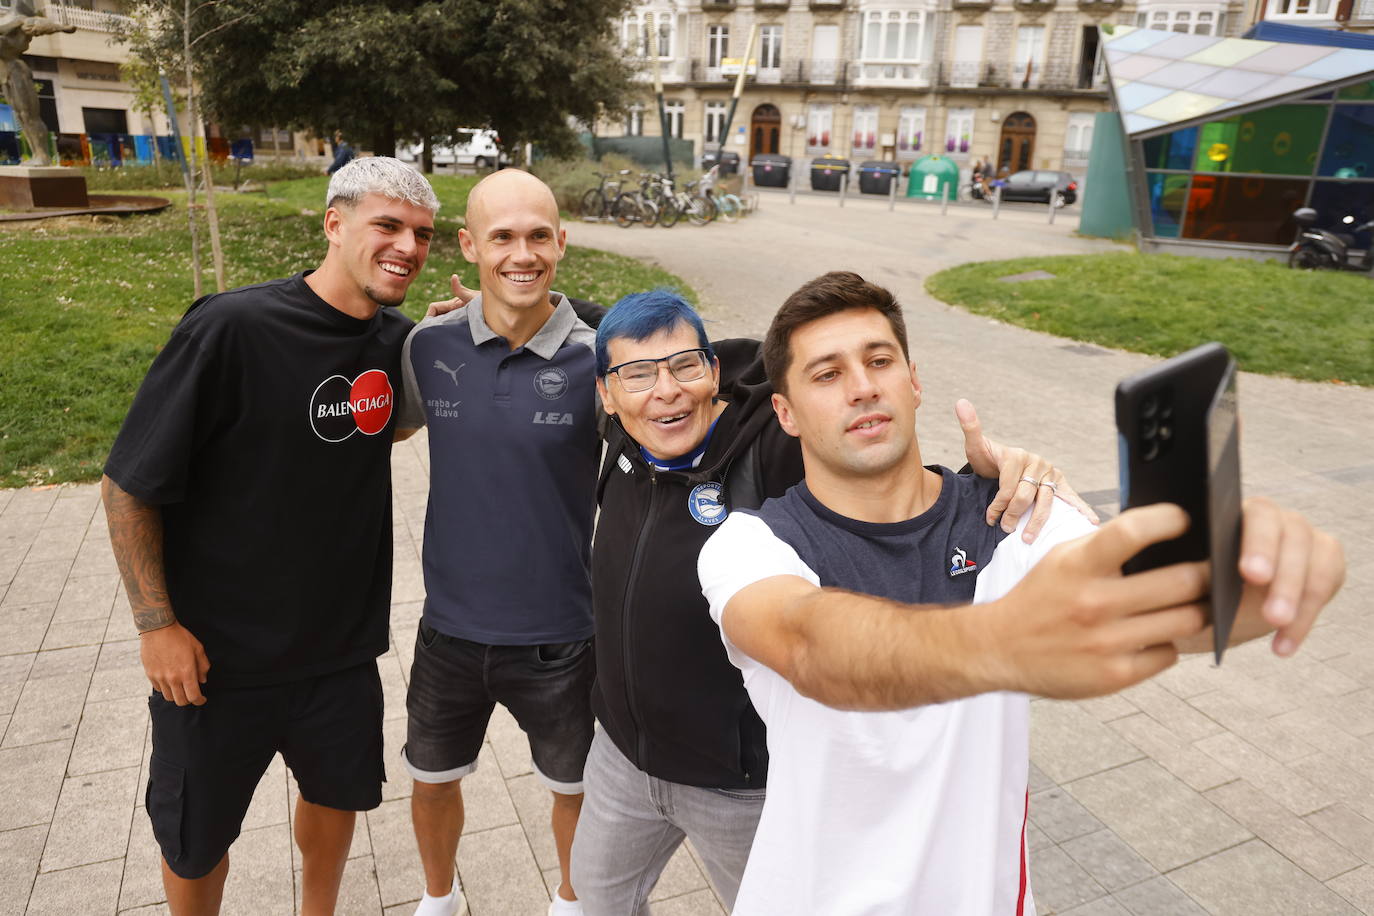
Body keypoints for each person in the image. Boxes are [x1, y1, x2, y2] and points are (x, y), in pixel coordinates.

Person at [697, 271, 1346, 915]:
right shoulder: (749, 544)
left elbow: (1144, 600)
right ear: (785, 412)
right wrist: (1002, 640)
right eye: (827, 374)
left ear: (914, 381)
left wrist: (1251, 574)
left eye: (879, 360)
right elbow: (809, 646)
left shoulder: (1016, 519)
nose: (863, 387)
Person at [569, 289, 1095, 913]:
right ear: (606, 392)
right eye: (636, 375)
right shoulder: (621, 437)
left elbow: (871, 469)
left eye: (685, 367)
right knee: (593, 901)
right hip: (621, 758)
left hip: (740, 785)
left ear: (715, 372)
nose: (665, 391)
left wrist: (1008, 487)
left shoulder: (765, 456)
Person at [101, 156, 440, 915]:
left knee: (335, 798)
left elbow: (394, 424)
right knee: (196, 836)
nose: (409, 247)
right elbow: (127, 484)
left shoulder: (397, 339)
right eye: (387, 225)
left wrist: (446, 347)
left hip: (340, 649)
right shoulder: (232, 327)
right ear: (334, 223)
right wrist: (158, 625)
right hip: (217, 659)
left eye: (422, 234)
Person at [397, 169, 597, 916]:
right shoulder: (427, 345)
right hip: (448, 628)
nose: (523, 252)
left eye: (538, 235)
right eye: (503, 236)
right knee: (430, 778)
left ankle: (573, 903)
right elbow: (391, 428)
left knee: (576, 791)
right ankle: (438, 900)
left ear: (561, 243)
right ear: (469, 245)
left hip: (562, 634)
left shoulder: (599, 358)